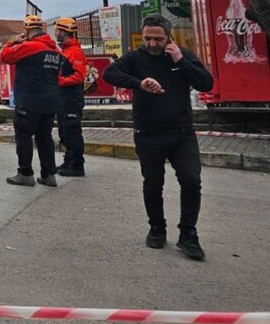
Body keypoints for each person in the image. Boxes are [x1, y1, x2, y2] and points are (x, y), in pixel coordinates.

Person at [103, 14, 214, 260]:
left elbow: (207, 84)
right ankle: (157, 227)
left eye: (158, 39)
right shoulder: (136, 57)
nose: (152, 43)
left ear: (169, 38)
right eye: (148, 38)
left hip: (182, 133)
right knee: (153, 183)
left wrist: (181, 61)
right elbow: (109, 74)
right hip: (148, 133)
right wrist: (139, 83)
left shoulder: (182, 56)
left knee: (191, 180)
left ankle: (188, 234)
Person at [0, 15, 65, 188]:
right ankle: (49, 174)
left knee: (24, 137)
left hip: (29, 101)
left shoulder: (29, 46)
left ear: (27, 30)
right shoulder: (56, 51)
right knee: (45, 138)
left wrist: (14, 42)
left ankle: (25, 173)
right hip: (50, 101)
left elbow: (4, 56)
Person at [54, 17, 87, 177]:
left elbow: (79, 76)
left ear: (63, 31)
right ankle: (69, 159)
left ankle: (77, 164)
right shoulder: (66, 51)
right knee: (64, 131)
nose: (56, 34)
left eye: (57, 31)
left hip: (71, 98)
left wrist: (59, 81)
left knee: (72, 131)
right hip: (64, 98)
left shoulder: (74, 52)